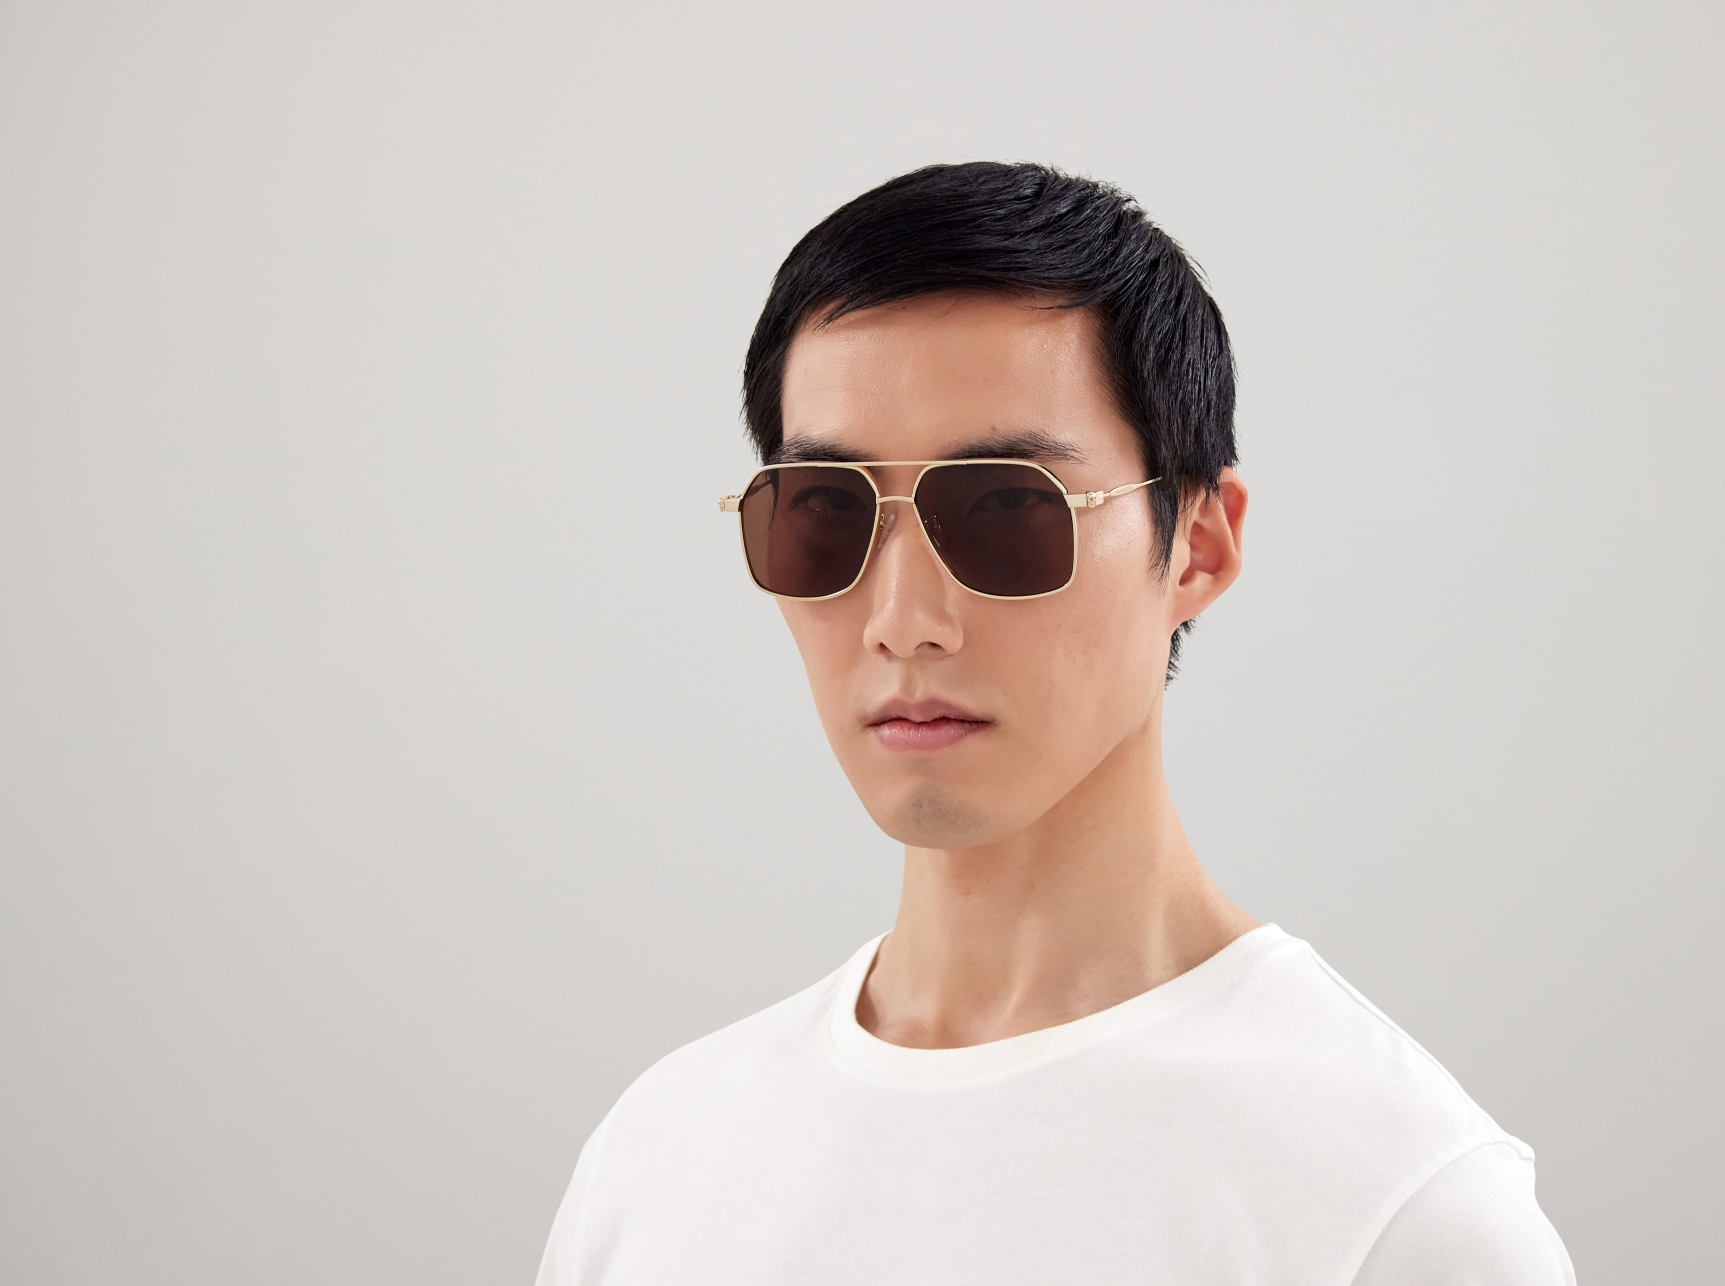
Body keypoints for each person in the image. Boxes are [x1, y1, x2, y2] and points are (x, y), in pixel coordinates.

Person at [534, 161, 1575, 1284]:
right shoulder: (660, 1160)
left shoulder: (1391, 1207)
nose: (903, 620)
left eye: (1006, 508)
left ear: (1197, 546)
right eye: (826, 511)